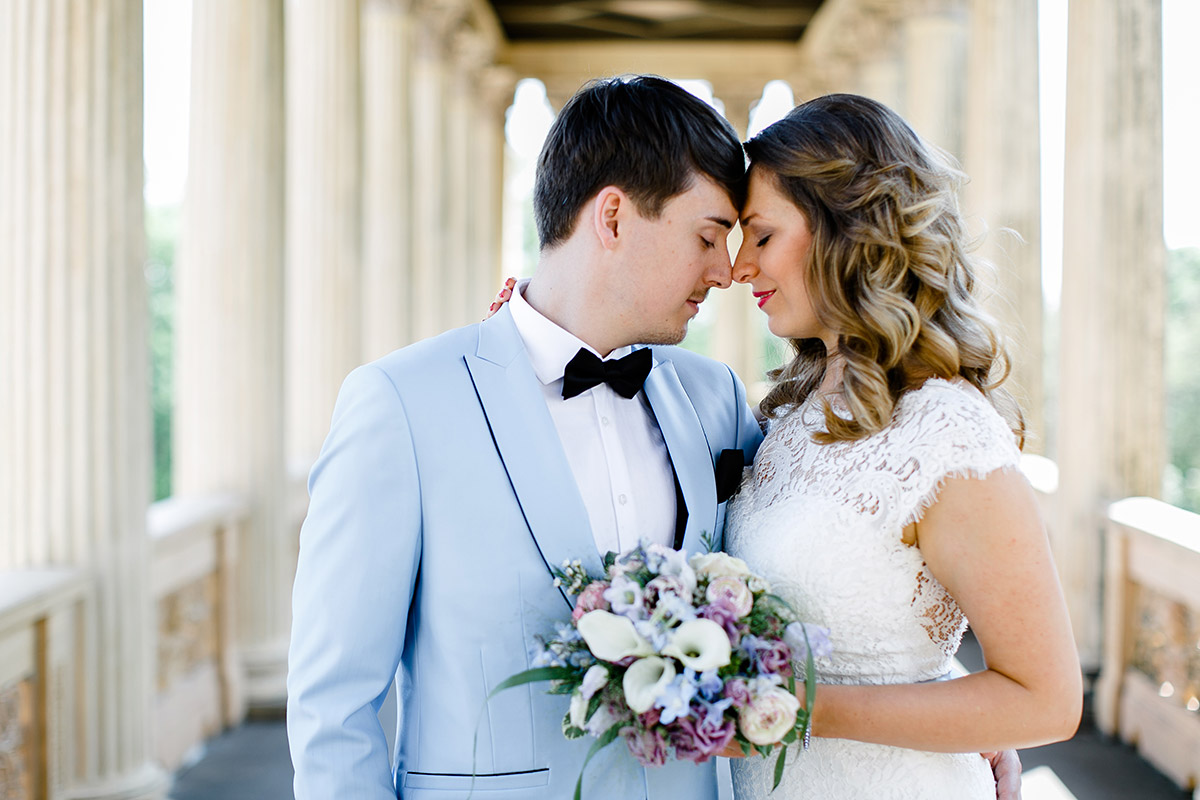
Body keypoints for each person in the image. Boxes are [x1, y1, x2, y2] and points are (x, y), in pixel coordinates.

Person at [286, 75, 762, 800]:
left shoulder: (716, 398)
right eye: (708, 236)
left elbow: (811, 569)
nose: (726, 271)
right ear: (612, 217)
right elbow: (332, 711)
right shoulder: (401, 405)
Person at [721, 93, 1081, 798]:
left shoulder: (947, 435)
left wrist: (796, 711)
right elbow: (881, 615)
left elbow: (1047, 698)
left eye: (761, 237)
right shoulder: (793, 412)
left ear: (845, 232)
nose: (738, 267)